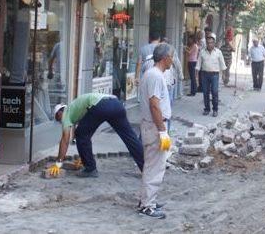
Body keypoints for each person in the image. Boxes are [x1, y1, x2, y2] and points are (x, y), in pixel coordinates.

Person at [48, 93, 144, 179]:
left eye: (57, 119)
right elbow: (86, 130)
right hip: (116, 103)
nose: (59, 121)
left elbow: (65, 140)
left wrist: (58, 163)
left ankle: (90, 169)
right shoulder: (76, 109)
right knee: (130, 137)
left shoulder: (66, 114)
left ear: (60, 113)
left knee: (80, 134)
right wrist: (83, 157)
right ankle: (146, 169)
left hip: (101, 106)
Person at [137, 43, 173, 219]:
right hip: (154, 125)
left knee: (152, 165)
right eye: (171, 57)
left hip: (152, 125)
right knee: (155, 167)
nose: (172, 60)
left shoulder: (152, 74)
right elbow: (154, 105)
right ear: (165, 58)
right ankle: (147, 205)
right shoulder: (155, 76)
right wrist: (162, 131)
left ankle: (147, 199)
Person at [195, 33, 226, 117]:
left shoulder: (218, 52)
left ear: (214, 43)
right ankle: (207, 109)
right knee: (205, 92)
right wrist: (197, 77)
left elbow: (222, 65)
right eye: (208, 43)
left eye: (211, 42)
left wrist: (223, 75)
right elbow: (198, 65)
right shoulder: (202, 52)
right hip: (204, 74)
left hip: (215, 75)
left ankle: (215, 110)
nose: (209, 44)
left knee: (215, 92)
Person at [161, 37, 183, 127]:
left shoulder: (170, 52)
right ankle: (165, 128)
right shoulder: (165, 52)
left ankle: (166, 127)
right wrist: (181, 75)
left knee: (167, 105)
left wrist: (180, 75)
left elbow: (177, 63)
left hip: (168, 82)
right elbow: (177, 64)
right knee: (167, 106)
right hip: (165, 82)